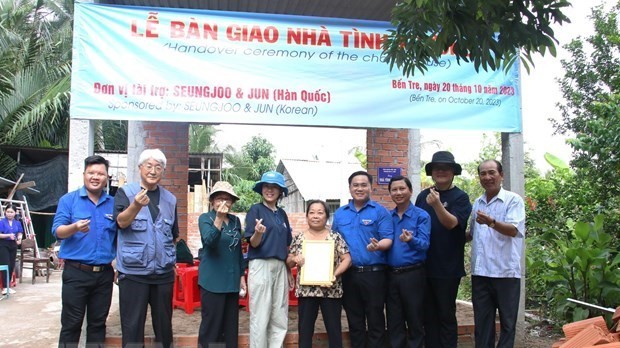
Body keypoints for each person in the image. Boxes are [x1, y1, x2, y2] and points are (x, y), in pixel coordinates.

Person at [114, 149, 178, 348]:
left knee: (164, 328)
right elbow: (121, 223)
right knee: (132, 327)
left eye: (158, 167)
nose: (153, 171)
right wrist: (135, 205)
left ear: (163, 171)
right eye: (149, 166)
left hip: (163, 274)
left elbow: (174, 235)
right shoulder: (125, 192)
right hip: (134, 273)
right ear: (140, 168)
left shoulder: (170, 199)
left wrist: (167, 259)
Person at [52, 155, 117, 347]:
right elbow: (57, 231)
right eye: (91, 173)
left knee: (98, 324)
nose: (95, 177)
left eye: (100, 173)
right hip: (76, 273)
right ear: (84, 175)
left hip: (104, 274)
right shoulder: (69, 200)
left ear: (107, 177)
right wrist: (75, 227)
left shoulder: (113, 203)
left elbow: (119, 236)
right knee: (71, 324)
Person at [415, 151, 472, 348]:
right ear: (431, 172)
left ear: (453, 172)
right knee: (428, 315)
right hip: (424, 266)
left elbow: (452, 224)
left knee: (446, 315)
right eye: (437, 168)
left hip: (448, 268)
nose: (441, 171)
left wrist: (438, 204)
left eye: (445, 168)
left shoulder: (461, 197)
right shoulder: (423, 196)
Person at [331, 171, 394, 347]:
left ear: (370, 187)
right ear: (350, 188)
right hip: (349, 275)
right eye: (355, 185)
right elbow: (333, 242)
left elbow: (388, 239)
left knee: (375, 321)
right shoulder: (340, 214)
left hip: (374, 275)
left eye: (364, 185)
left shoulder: (380, 212)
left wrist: (378, 246)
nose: (360, 188)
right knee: (355, 321)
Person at [469, 159, 525, 348]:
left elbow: (514, 230)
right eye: (483, 174)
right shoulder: (477, 203)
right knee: (482, 325)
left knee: (508, 325)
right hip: (481, 274)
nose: (487, 177)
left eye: (491, 172)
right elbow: (471, 234)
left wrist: (492, 222)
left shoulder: (513, 200)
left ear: (502, 175)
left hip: (505, 274)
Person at [287, 200, 352, 348]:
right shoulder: (299, 238)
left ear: (327, 216)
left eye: (320, 212)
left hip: (331, 290)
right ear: (307, 216)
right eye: (312, 212)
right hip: (306, 291)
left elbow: (347, 259)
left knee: (334, 329)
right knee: (305, 330)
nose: (316, 216)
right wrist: (294, 259)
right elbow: (289, 260)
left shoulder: (335, 237)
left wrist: (334, 275)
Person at [244, 170, 293, 348]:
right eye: (266, 186)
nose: (270, 190)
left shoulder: (282, 215)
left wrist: (287, 270)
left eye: (274, 187)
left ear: (281, 191)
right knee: (261, 315)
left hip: (280, 266)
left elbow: (285, 245)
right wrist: (257, 232)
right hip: (260, 265)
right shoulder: (255, 210)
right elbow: (253, 244)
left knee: (280, 314)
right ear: (261, 189)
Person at [197, 181, 246, 348]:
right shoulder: (205, 218)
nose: (223, 202)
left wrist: (241, 276)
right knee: (211, 328)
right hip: (212, 282)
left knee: (230, 329)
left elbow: (238, 250)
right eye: (219, 198)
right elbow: (209, 241)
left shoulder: (235, 221)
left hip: (231, 281)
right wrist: (218, 218)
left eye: (227, 199)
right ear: (212, 201)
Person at [386, 176, 431, 348]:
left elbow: (425, 245)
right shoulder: (387, 217)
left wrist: (411, 240)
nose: (398, 193)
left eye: (402, 189)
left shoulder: (421, 216)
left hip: (413, 275)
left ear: (410, 191)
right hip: (390, 275)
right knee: (394, 322)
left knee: (415, 320)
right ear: (390, 193)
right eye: (394, 189)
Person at [0, 205, 24, 295]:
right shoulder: (2, 222)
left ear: (15, 213)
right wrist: (8, 235)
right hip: (3, 244)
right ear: (5, 212)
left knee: (11, 265)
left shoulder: (17, 223)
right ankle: (5, 287)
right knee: (5, 264)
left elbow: (20, 232)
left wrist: (19, 239)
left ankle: (8, 285)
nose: (9, 214)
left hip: (13, 245)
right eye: (8, 212)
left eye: (11, 212)